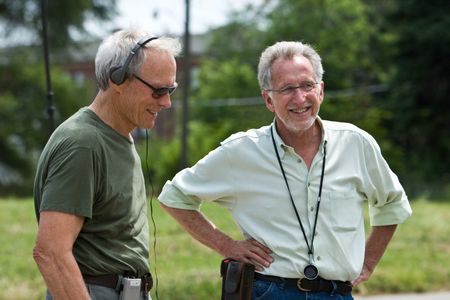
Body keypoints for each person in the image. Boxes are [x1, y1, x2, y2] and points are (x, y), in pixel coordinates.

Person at [158, 41, 412, 299]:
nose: (300, 98)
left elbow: (392, 202)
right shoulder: (241, 152)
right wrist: (226, 245)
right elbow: (174, 198)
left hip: (338, 293)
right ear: (268, 99)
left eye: (307, 85)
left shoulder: (356, 143)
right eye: (287, 88)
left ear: (320, 90)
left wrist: (368, 262)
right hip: (270, 291)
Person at [33, 28, 181, 300]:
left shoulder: (120, 136)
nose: (167, 102)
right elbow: (51, 252)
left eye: (171, 90)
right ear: (118, 79)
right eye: (158, 90)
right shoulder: (82, 144)